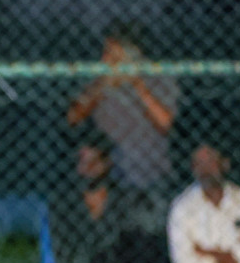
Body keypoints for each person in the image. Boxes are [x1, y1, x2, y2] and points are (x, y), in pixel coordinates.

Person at [66, 23, 180, 191]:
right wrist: (101, 84)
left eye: (111, 53)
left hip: (152, 174)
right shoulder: (99, 79)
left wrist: (137, 83)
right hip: (111, 178)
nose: (105, 58)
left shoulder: (158, 77)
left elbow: (166, 123)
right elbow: (73, 118)